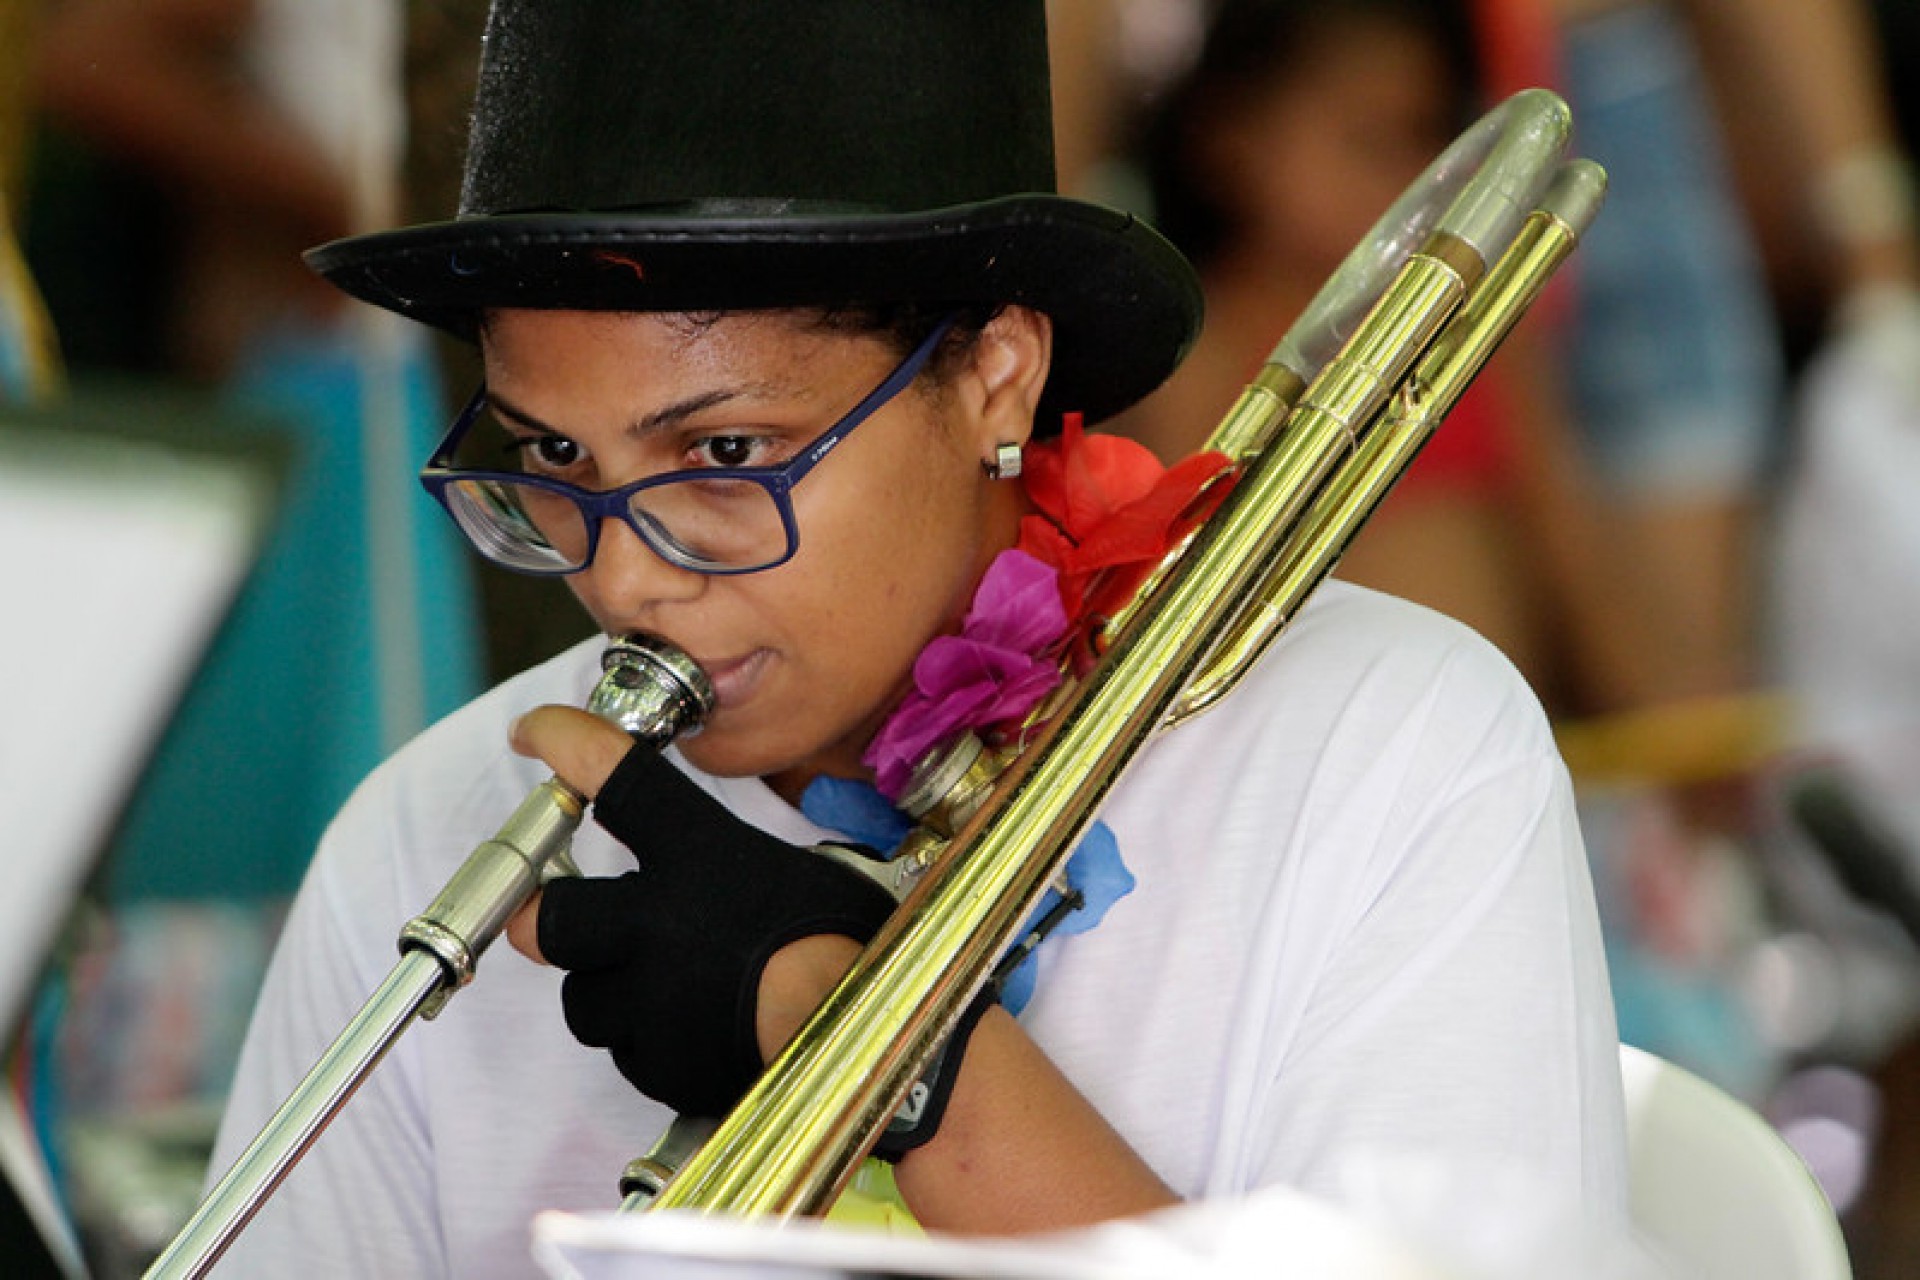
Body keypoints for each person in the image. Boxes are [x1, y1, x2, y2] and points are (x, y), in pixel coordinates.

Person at [203, 2, 1626, 1274]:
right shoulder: (425, 837)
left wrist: (856, 1030)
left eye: (728, 449)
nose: (628, 578)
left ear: (996, 374)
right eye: (553, 462)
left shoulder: (1391, 752)